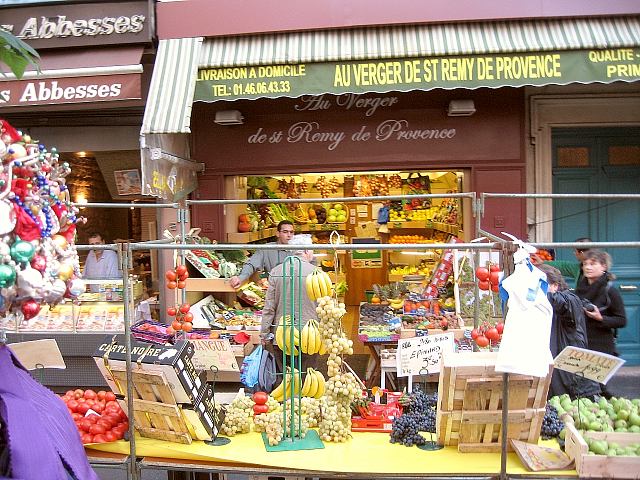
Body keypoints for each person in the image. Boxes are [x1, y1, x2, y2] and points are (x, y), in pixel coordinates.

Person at [537, 264, 601, 399]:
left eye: (540, 284)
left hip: (573, 382)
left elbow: (563, 302)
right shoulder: (543, 308)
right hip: (557, 378)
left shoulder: (570, 299)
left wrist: (533, 294)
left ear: (554, 285)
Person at [260, 234, 319, 374]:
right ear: (306, 251)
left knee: (286, 377)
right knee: (307, 376)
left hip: (282, 334)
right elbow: (323, 306)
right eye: (312, 250)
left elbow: (269, 307)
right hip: (309, 333)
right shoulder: (316, 273)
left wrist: (264, 332)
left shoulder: (276, 271)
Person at [575, 249, 627, 398]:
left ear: (603, 267)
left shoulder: (610, 291)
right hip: (582, 342)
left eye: (592, 264)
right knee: (581, 387)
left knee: (598, 388)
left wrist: (600, 318)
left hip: (601, 344)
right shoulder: (580, 288)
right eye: (585, 264)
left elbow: (621, 320)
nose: (587, 267)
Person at [229, 220, 295, 289]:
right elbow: (252, 264)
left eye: (291, 232)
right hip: (275, 290)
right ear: (277, 234)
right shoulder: (266, 249)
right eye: (285, 232)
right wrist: (240, 277)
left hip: (295, 290)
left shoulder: (299, 249)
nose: (289, 235)